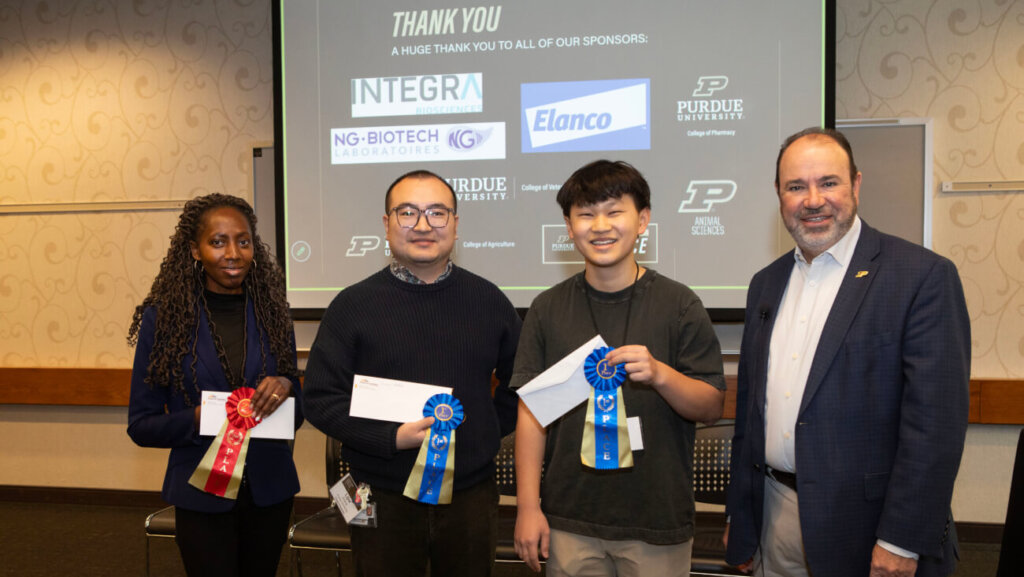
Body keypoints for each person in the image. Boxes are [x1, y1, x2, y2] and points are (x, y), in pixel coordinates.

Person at [724, 127, 970, 577]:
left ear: (856, 184)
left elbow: (935, 426)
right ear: (779, 196)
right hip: (773, 517)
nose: (812, 199)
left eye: (828, 182)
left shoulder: (921, 277)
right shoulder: (766, 283)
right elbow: (750, 415)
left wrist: (901, 540)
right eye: (796, 186)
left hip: (870, 529)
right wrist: (741, 517)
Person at [302, 169, 522, 577]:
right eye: (408, 213)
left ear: (455, 224)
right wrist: (390, 438)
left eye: (438, 213)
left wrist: (484, 431)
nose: (423, 225)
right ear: (387, 225)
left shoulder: (489, 301)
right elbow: (318, 399)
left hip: (470, 494)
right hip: (375, 491)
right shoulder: (351, 306)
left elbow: (519, 383)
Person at [512, 160, 726, 576]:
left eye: (614, 211)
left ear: (642, 220)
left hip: (656, 522)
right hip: (568, 520)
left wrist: (661, 375)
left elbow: (711, 405)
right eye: (586, 214)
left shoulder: (680, 305)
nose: (600, 226)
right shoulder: (546, 309)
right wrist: (527, 507)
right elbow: (531, 414)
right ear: (569, 226)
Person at [127, 193, 303, 577]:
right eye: (218, 241)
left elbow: (297, 413)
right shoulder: (165, 321)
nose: (234, 253)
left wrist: (287, 387)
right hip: (200, 493)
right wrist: (202, 418)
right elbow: (141, 425)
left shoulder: (274, 313)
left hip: (270, 491)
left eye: (243, 241)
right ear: (195, 250)